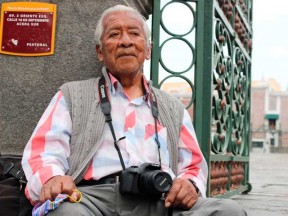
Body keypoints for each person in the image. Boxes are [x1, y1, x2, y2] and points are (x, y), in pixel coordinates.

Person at [21, 4, 247, 216]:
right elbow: (43, 154)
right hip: (93, 199)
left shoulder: (172, 107)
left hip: (160, 198)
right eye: (114, 34)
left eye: (134, 33)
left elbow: (193, 166)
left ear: (148, 50)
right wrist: (53, 178)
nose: (125, 41)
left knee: (229, 211)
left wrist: (188, 185)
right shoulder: (72, 95)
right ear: (100, 51)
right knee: (66, 212)